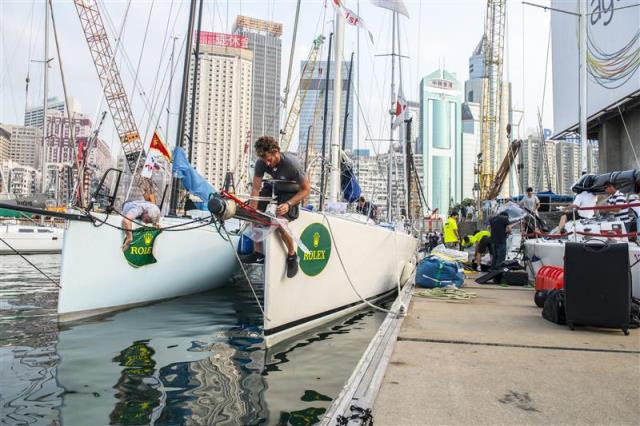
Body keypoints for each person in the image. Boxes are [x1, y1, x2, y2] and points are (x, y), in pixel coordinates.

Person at [244, 136, 311, 278]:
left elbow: (306, 189)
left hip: (292, 192)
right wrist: (253, 211)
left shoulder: (291, 164)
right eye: (264, 161)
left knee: (279, 222)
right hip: (274, 187)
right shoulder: (261, 163)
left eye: (269, 159)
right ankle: (258, 254)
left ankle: (292, 256)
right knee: (253, 214)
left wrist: (288, 204)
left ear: (276, 152)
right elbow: (256, 189)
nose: (267, 164)